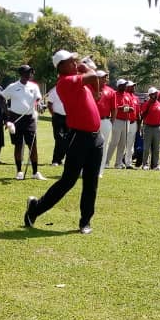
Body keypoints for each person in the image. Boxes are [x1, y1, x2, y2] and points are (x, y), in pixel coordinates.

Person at [24, 50, 105, 234]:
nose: (75, 63)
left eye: (75, 61)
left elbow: (96, 84)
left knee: (91, 182)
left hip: (96, 137)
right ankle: (35, 208)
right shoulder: (65, 82)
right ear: (61, 66)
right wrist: (86, 68)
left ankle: (85, 221)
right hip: (79, 137)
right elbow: (93, 75)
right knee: (68, 181)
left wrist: (86, 72)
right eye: (71, 61)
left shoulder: (77, 78)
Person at [2, 65, 46, 180]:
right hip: (16, 118)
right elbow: (1, 98)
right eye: (27, 73)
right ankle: (19, 171)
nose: (29, 75)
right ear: (21, 74)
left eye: (30, 73)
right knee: (18, 145)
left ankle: (35, 172)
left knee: (33, 146)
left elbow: (38, 99)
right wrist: (7, 114)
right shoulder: (13, 87)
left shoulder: (34, 86)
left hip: (30, 119)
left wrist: (40, 105)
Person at [109, 79, 137, 168]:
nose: (124, 86)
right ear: (118, 86)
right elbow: (114, 107)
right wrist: (123, 108)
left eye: (125, 85)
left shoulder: (127, 95)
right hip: (117, 120)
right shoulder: (114, 94)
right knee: (114, 142)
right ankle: (106, 161)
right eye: (122, 85)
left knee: (123, 143)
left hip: (126, 121)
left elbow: (132, 108)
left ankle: (118, 163)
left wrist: (126, 108)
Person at [96, 76, 117, 177]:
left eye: (105, 77)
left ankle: (99, 171)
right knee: (89, 146)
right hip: (92, 120)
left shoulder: (111, 91)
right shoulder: (90, 88)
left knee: (104, 146)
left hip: (105, 120)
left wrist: (111, 122)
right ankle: (85, 170)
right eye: (102, 77)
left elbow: (114, 108)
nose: (105, 79)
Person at [140, 87, 160, 170]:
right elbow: (142, 115)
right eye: (154, 94)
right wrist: (149, 105)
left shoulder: (159, 104)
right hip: (148, 127)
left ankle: (156, 165)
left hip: (157, 128)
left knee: (156, 148)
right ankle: (145, 164)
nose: (156, 95)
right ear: (150, 95)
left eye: (156, 93)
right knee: (147, 148)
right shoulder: (146, 103)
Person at [47, 81, 68, 166]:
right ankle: (56, 160)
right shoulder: (55, 90)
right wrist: (53, 115)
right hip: (57, 116)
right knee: (59, 138)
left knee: (67, 138)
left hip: (69, 117)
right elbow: (49, 104)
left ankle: (59, 159)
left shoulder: (71, 89)